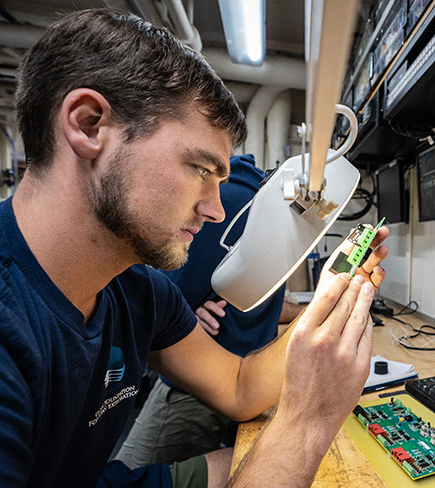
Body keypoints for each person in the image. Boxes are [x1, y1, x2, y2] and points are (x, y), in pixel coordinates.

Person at [0, 8, 388, 488]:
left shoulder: (136, 290)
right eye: (200, 169)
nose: (216, 210)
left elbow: (238, 387)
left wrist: (333, 299)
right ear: (88, 125)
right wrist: (306, 422)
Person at [115, 154, 305, 468]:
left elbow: (161, 302)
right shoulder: (263, 207)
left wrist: (183, 310)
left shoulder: (230, 203)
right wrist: (187, 312)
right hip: (239, 376)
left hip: (199, 384)